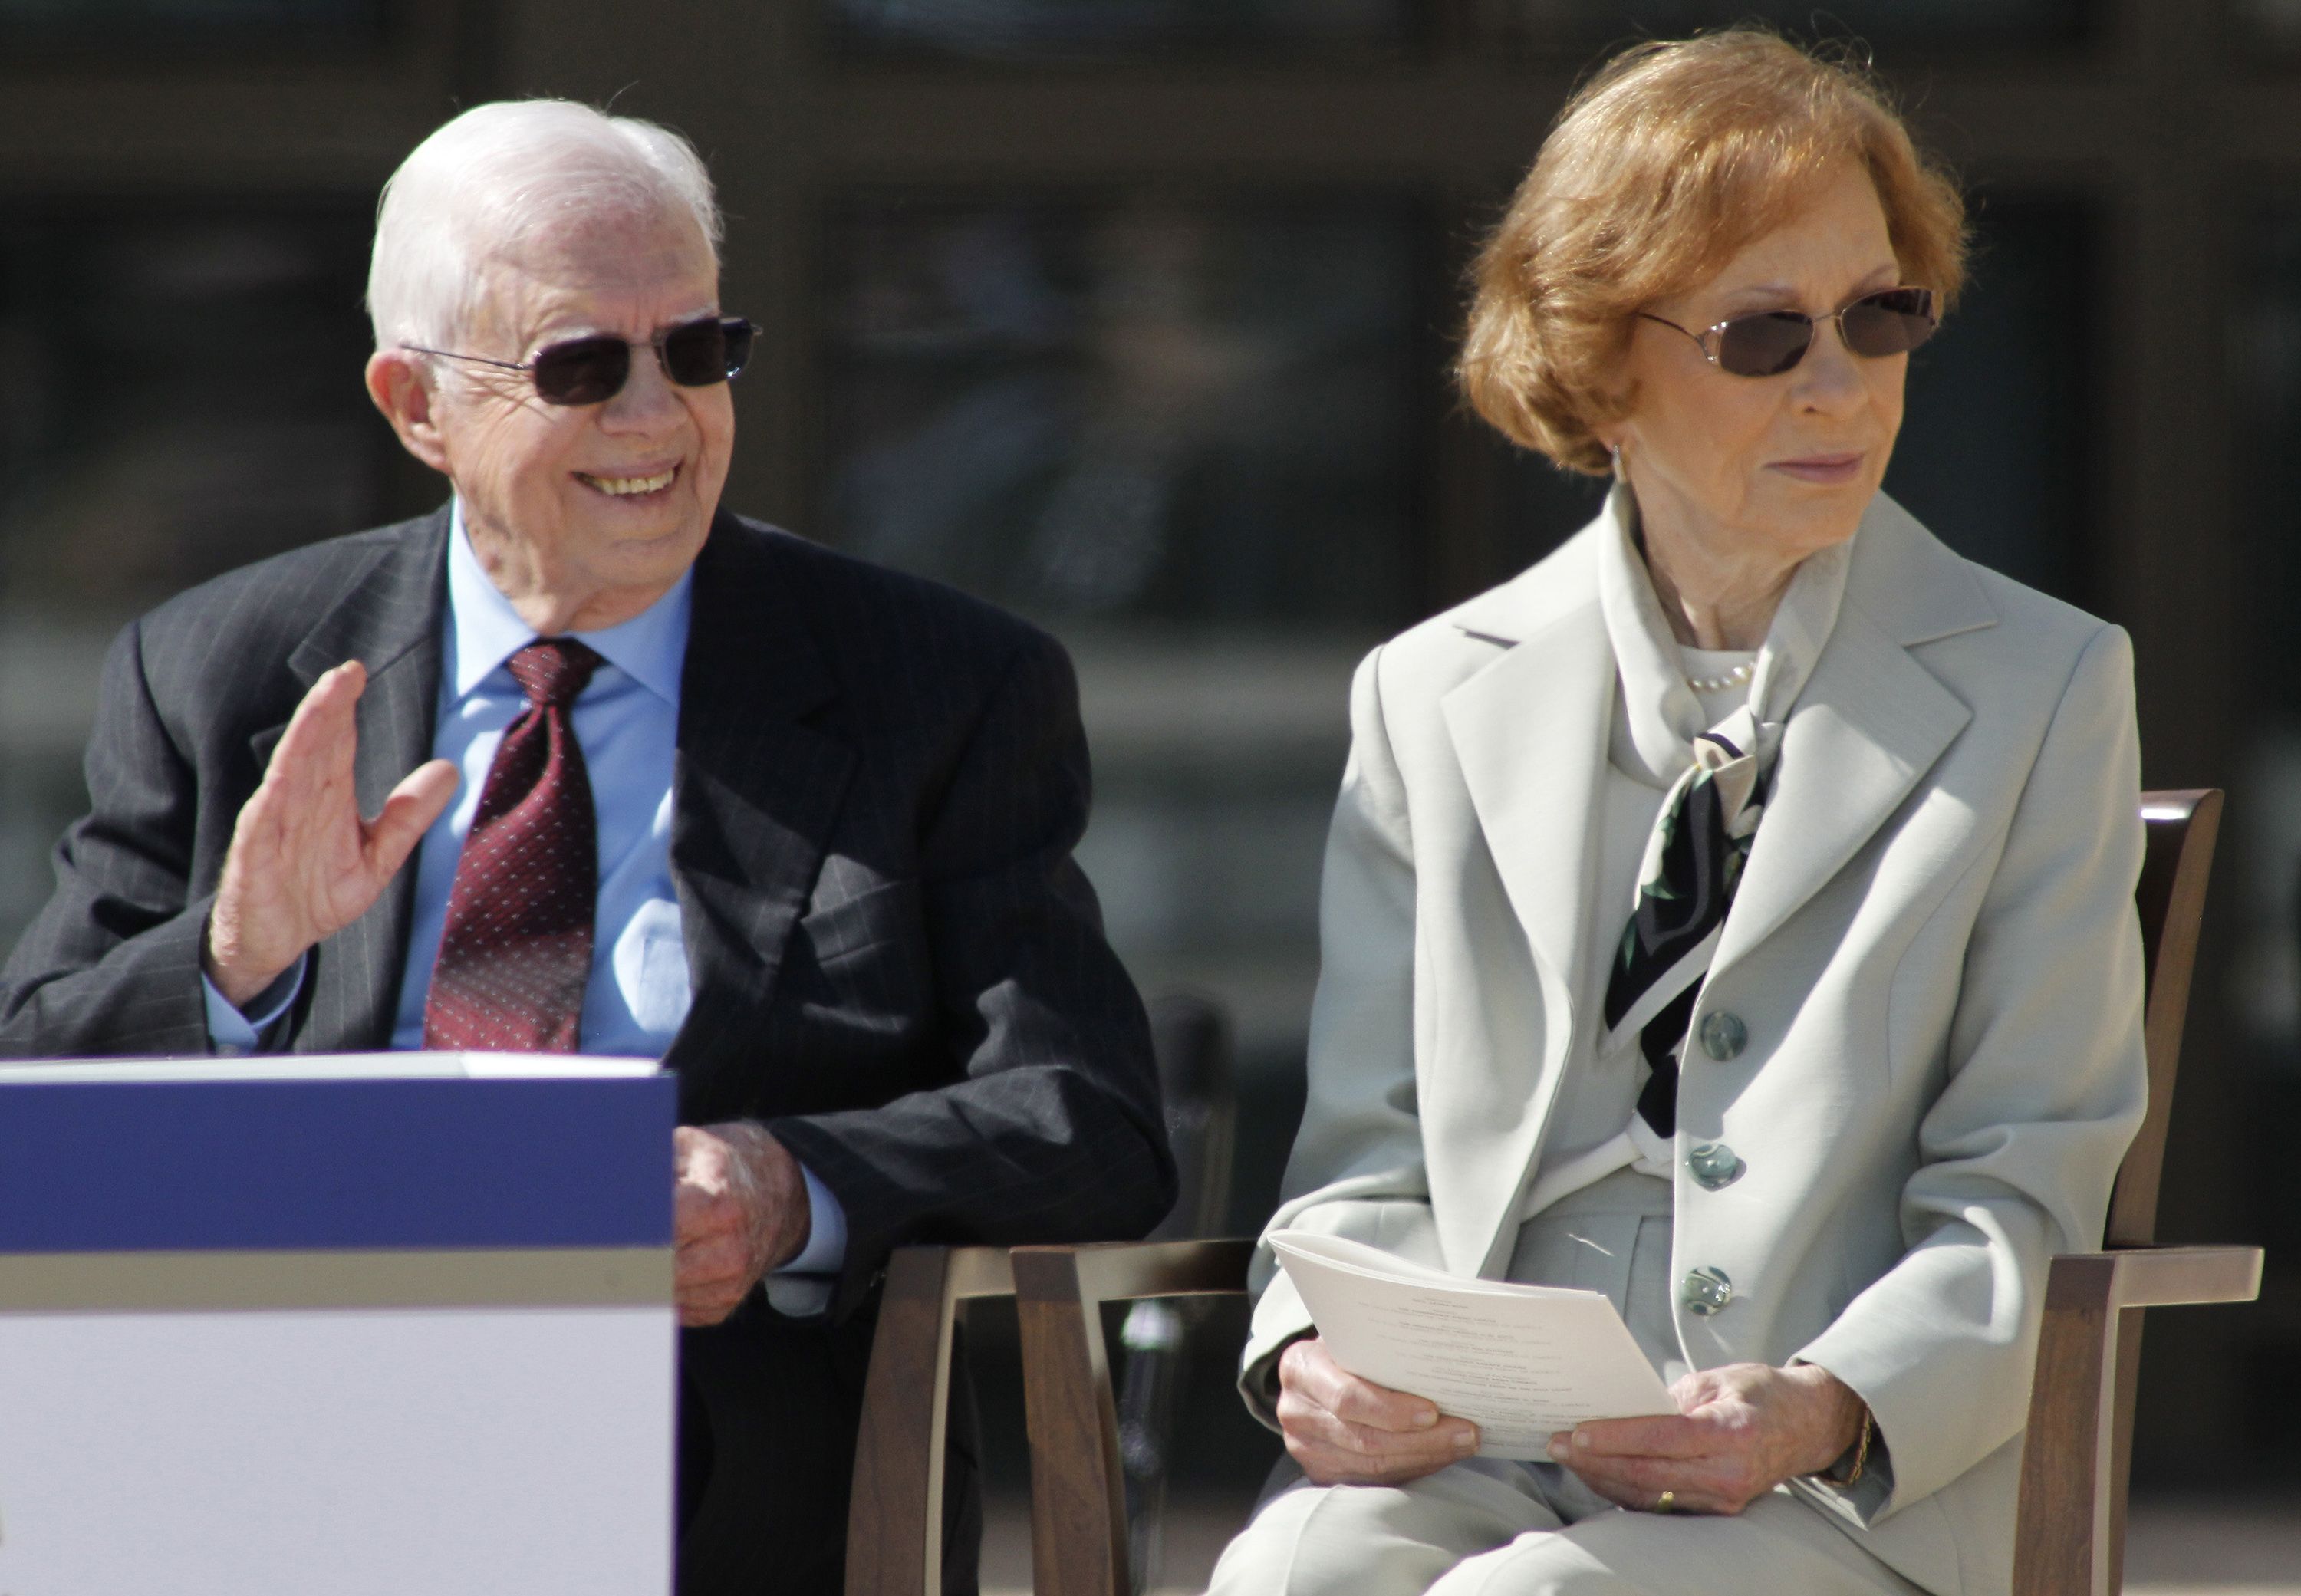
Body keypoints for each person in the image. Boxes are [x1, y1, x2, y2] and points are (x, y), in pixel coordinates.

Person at [0, 100, 1174, 1596]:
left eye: (697, 351)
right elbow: (35, 1112)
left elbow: (1093, 1122)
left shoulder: (934, 686)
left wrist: (780, 1186)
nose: (658, 416)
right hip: (289, 1428)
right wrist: (234, 966)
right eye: (581, 366)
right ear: (418, 405)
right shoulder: (225, 672)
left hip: (711, 1457)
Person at [1208, 31, 2147, 1596]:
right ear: (1598, 360)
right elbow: (1366, 1165)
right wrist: (1314, 1345)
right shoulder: (1427, 695)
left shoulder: (2046, 685)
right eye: (1766, 335)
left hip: (1854, 1488)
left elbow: (2027, 1187)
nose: (1843, 385)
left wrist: (1824, 1405)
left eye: (1881, 316)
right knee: (1289, 1579)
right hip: (1490, 1448)